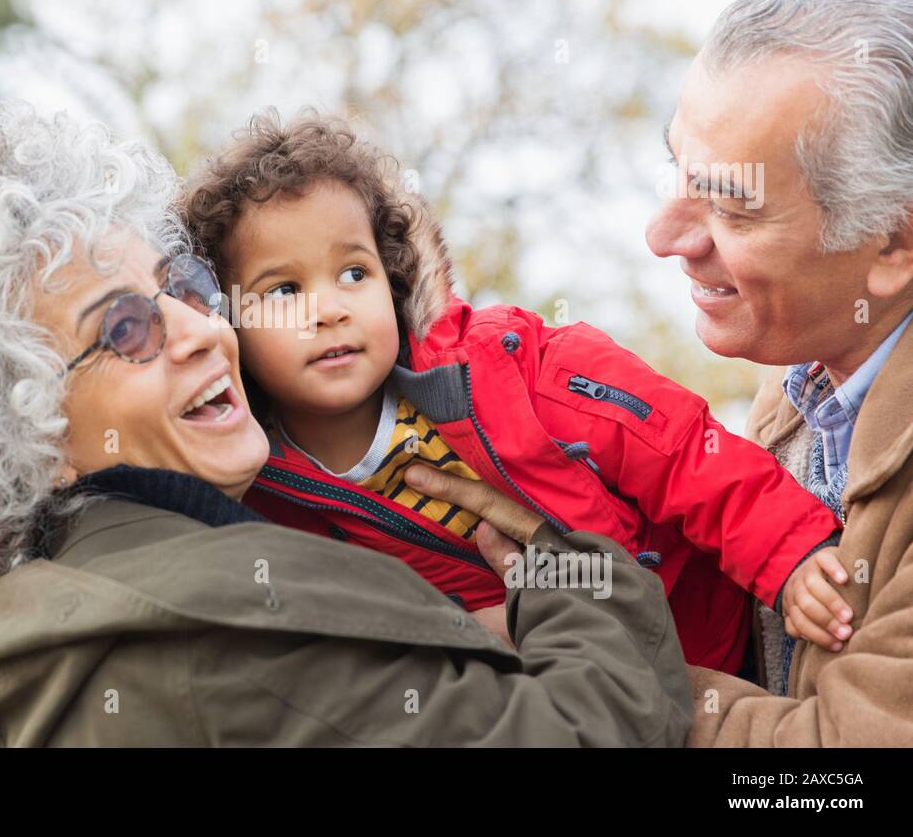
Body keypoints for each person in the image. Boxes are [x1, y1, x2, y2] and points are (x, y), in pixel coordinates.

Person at [0, 99, 690, 746]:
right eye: (126, 330)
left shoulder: (76, 631)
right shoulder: (213, 637)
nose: (204, 331)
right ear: (23, 440)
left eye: (182, 288)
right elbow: (582, 731)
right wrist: (568, 574)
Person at [179, 109, 842, 676]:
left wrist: (789, 553)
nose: (329, 309)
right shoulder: (260, 487)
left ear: (394, 277)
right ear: (227, 318)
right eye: (285, 291)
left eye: (354, 271)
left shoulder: (504, 369)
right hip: (571, 697)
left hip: (720, 638)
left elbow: (679, 448)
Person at [645, 0, 913, 745]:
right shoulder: (795, 405)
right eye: (676, 171)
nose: (665, 238)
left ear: (893, 244)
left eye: (731, 208)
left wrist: (592, 670)